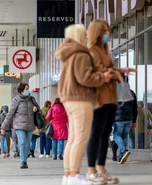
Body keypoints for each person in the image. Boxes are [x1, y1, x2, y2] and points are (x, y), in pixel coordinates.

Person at [55, 24, 112, 185]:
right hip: (81, 99)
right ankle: (74, 175)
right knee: (81, 137)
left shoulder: (68, 53)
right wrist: (103, 77)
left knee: (73, 138)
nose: (87, 36)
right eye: (84, 34)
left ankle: (68, 175)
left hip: (70, 99)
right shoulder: (80, 54)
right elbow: (85, 78)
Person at [86, 19, 136, 184]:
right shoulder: (91, 51)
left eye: (108, 30)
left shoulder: (104, 50)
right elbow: (89, 76)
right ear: (97, 32)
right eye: (105, 31)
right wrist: (110, 74)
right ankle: (91, 170)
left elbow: (107, 70)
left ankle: (101, 169)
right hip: (99, 99)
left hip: (111, 98)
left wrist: (120, 70)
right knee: (96, 134)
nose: (108, 34)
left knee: (104, 135)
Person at [1, 82, 39, 169]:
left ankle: (25, 159)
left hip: (30, 125)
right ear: (21, 90)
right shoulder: (16, 100)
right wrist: (3, 127)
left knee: (27, 144)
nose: (28, 90)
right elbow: (10, 114)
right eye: (26, 89)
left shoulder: (32, 99)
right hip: (19, 126)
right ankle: (23, 161)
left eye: (28, 88)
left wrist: (36, 109)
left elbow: (38, 109)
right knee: (22, 142)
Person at [113, 75, 137, 164]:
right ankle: (120, 157)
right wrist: (134, 120)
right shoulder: (131, 92)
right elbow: (135, 108)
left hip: (118, 119)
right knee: (124, 136)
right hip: (129, 119)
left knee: (116, 135)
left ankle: (123, 150)